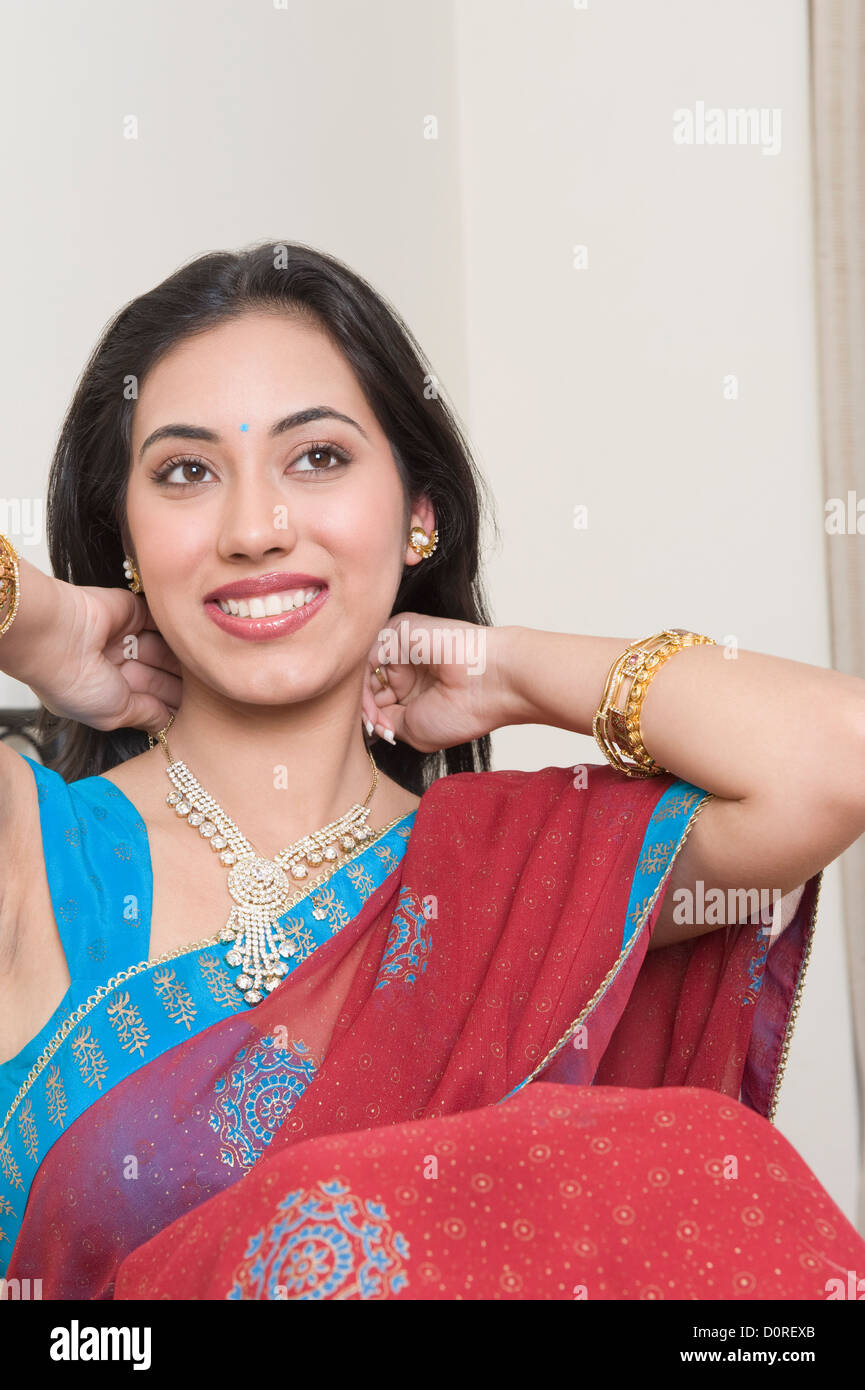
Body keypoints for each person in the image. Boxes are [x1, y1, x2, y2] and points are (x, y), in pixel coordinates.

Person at [1, 242, 864, 1301]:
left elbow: (837, 753)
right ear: (126, 538)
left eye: (316, 457)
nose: (254, 529)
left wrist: (510, 668)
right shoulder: (29, 846)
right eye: (185, 473)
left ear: (420, 514)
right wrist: (39, 620)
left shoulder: (514, 875)